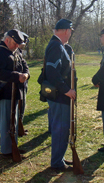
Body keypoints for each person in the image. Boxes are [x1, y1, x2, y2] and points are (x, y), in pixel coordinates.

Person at [0, 29, 30, 158]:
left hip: (16, 91)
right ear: (7, 40)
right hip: (5, 92)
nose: (17, 46)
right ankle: (7, 151)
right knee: (7, 122)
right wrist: (17, 76)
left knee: (14, 121)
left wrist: (26, 74)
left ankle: (13, 147)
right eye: (15, 43)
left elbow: (24, 64)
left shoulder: (15, 50)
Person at [44, 19, 76, 170]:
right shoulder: (56, 46)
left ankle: (59, 158)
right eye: (70, 30)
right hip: (60, 96)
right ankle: (57, 162)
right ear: (65, 31)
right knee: (61, 129)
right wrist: (66, 90)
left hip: (60, 95)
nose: (70, 33)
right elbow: (52, 72)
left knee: (62, 129)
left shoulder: (58, 45)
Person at [18, 32, 29, 136]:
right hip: (19, 85)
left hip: (23, 83)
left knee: (22, 108)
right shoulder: (16, 52)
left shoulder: (19, 52)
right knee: (19, 109)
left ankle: (20, 128)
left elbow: (25, 66)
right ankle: (18, 129)